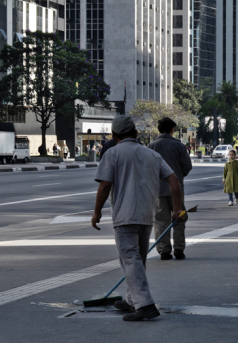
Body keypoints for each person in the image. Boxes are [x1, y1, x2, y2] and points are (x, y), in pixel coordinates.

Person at [92, 114, 185, 322]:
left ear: (114, 135)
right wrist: (177, 208)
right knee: (138, 259)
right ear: (135, 133)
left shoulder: (113, 153)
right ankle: (131, 300)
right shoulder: (150, 154)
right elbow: (173, 179)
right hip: (147, 214)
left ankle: (145, 304)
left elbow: (105, 185)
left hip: (125, 214)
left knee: (130, 258)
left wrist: (97, 212)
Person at [148, 117, 193, 261]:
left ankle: (164, 250)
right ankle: (179, 248)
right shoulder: (179, 146)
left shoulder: (151, 146)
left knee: (161, 220)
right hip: (177, 189)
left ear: (158, 129)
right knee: (179, 217)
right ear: (172, 130)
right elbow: (187, 166)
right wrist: (179, 176)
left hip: (158, 190)